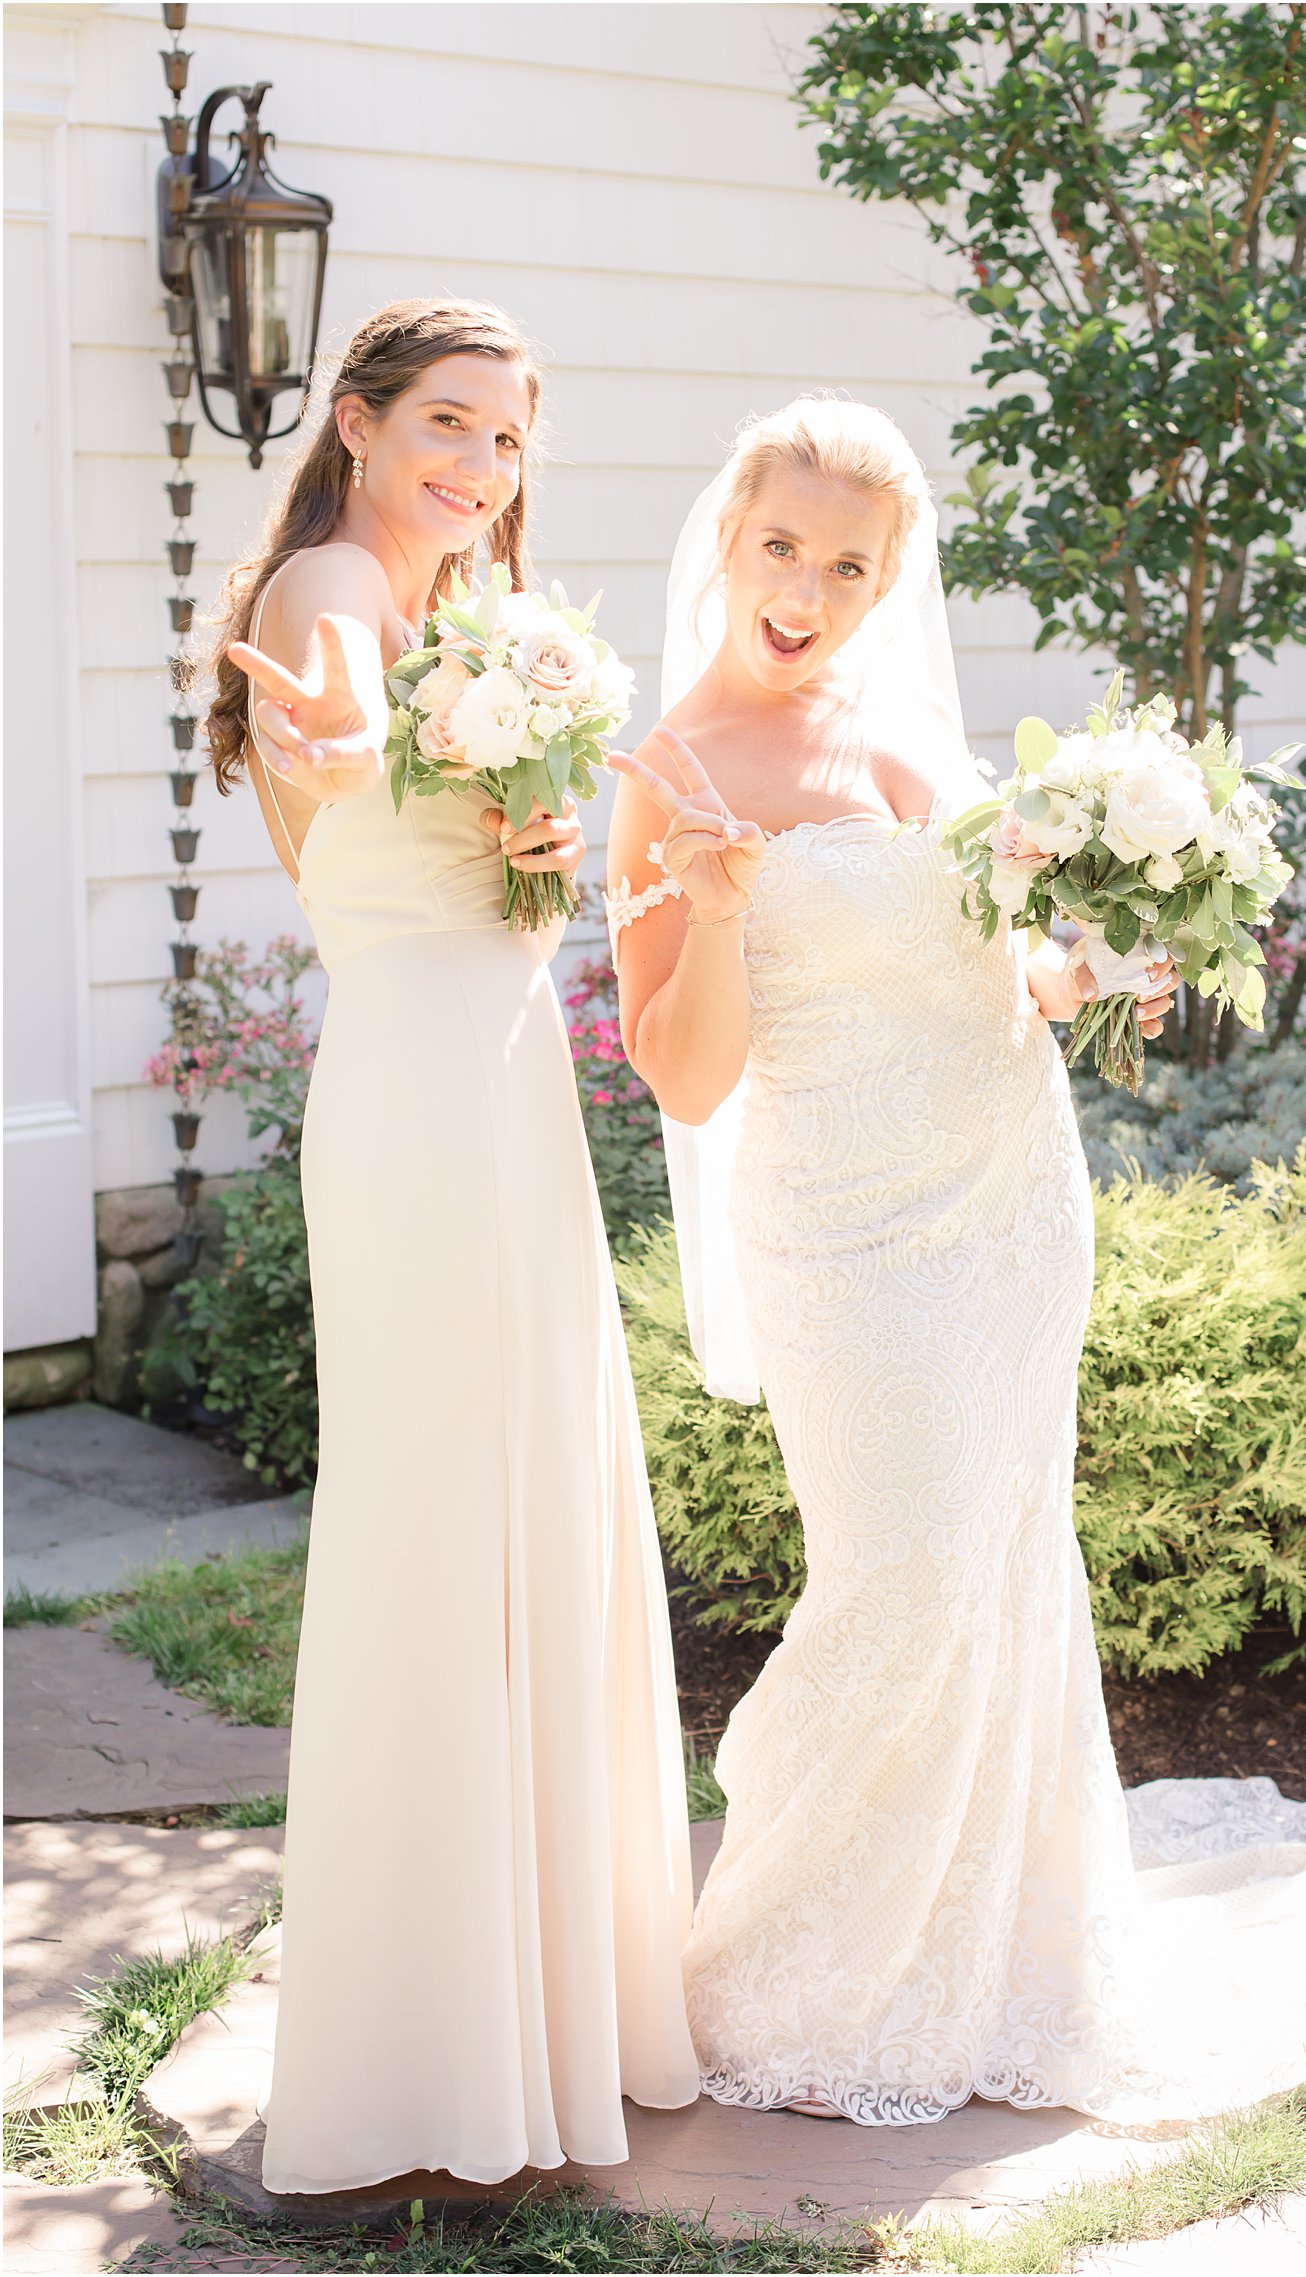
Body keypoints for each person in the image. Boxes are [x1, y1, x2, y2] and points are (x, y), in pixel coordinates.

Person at [604, 397, 1178, 2122]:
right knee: (902, 1579)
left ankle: (1005, 1967)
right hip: (845, 1230)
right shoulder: (667, 772)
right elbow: (686, 1077)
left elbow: (1002, 972)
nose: (808, 589)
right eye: (783, 547)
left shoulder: (916, 740)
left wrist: (1104, 972)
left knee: (1007, 1563)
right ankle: (787, 1968)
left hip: (1011, 1193)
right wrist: (707, 902)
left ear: (888, 580)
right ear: (729, 535)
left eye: (849, 565)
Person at [206, 297, 698, 2193]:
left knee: (527, 1495)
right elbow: (324, 732)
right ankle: (434, 2045)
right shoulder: (334, 582)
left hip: (497, 1072)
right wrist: (326, 743)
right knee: (440, 1510)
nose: (480, 468)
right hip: (417, 1083)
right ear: (355, 422)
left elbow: (481, 849)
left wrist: (540, 850)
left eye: (507, 440)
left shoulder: (486, 623)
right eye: (449, 425)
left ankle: (539, 2007)